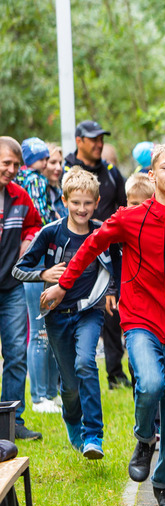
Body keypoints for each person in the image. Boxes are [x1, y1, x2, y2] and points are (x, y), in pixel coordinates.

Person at [41, 142, 165, 506]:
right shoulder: (129, 218)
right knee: (151, 382)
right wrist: (63, 283)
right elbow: (90, 246)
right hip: (140, 321)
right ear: (152, 175)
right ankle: (143, 439)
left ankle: (164, 481)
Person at [13, 168, 112, 457]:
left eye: (88, 203)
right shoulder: (50, 232)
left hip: (89, 311)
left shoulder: (102, 232)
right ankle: (72, 420)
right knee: (69, 386)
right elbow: (19, 269)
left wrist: (112, 291)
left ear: (96, 202)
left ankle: (94, 435)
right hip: (57, 314)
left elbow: (116, 262)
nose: (82, 209)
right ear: (65, 200)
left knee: (86, 364)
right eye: (76, 202)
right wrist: (44, 273)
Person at [64, 120, 129, 390]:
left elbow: (124, 206)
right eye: (93, 139)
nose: (99, 143)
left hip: (108, 251)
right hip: (74, 252)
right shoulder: (67, 170)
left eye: (101, 138)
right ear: (79, 140)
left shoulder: (111, 172)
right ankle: (68, 378)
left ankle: (115, 374)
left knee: (112, 311)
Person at [0, 136, 43, 439]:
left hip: (12, 286)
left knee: (16, 352)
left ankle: (11, 422)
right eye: (6, 163)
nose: (12, 169)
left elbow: (34, 223)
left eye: (16, 164)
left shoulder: (19, 195)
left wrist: (28, 240)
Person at [16, 138, 63, 414]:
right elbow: (42, 218)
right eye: (46, 159)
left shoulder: (23, 181)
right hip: (38, 261)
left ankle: (48, 393)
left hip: (38, 261)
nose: (49, 165)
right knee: (39, 331)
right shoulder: (34, 181)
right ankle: (39, 396)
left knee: (45, 330)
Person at [15, 138, 53, 223]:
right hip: (39, 226)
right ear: (30, 159)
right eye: (41, 159)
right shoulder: (36, 180)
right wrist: (47, 225)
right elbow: (39, 207)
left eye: (46, 159)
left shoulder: (20, 176)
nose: (45, 163)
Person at [43, 145, 67, 222]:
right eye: (53, 162)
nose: (59, 168)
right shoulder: (34, 195)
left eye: (60, 163)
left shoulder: (60, 193)